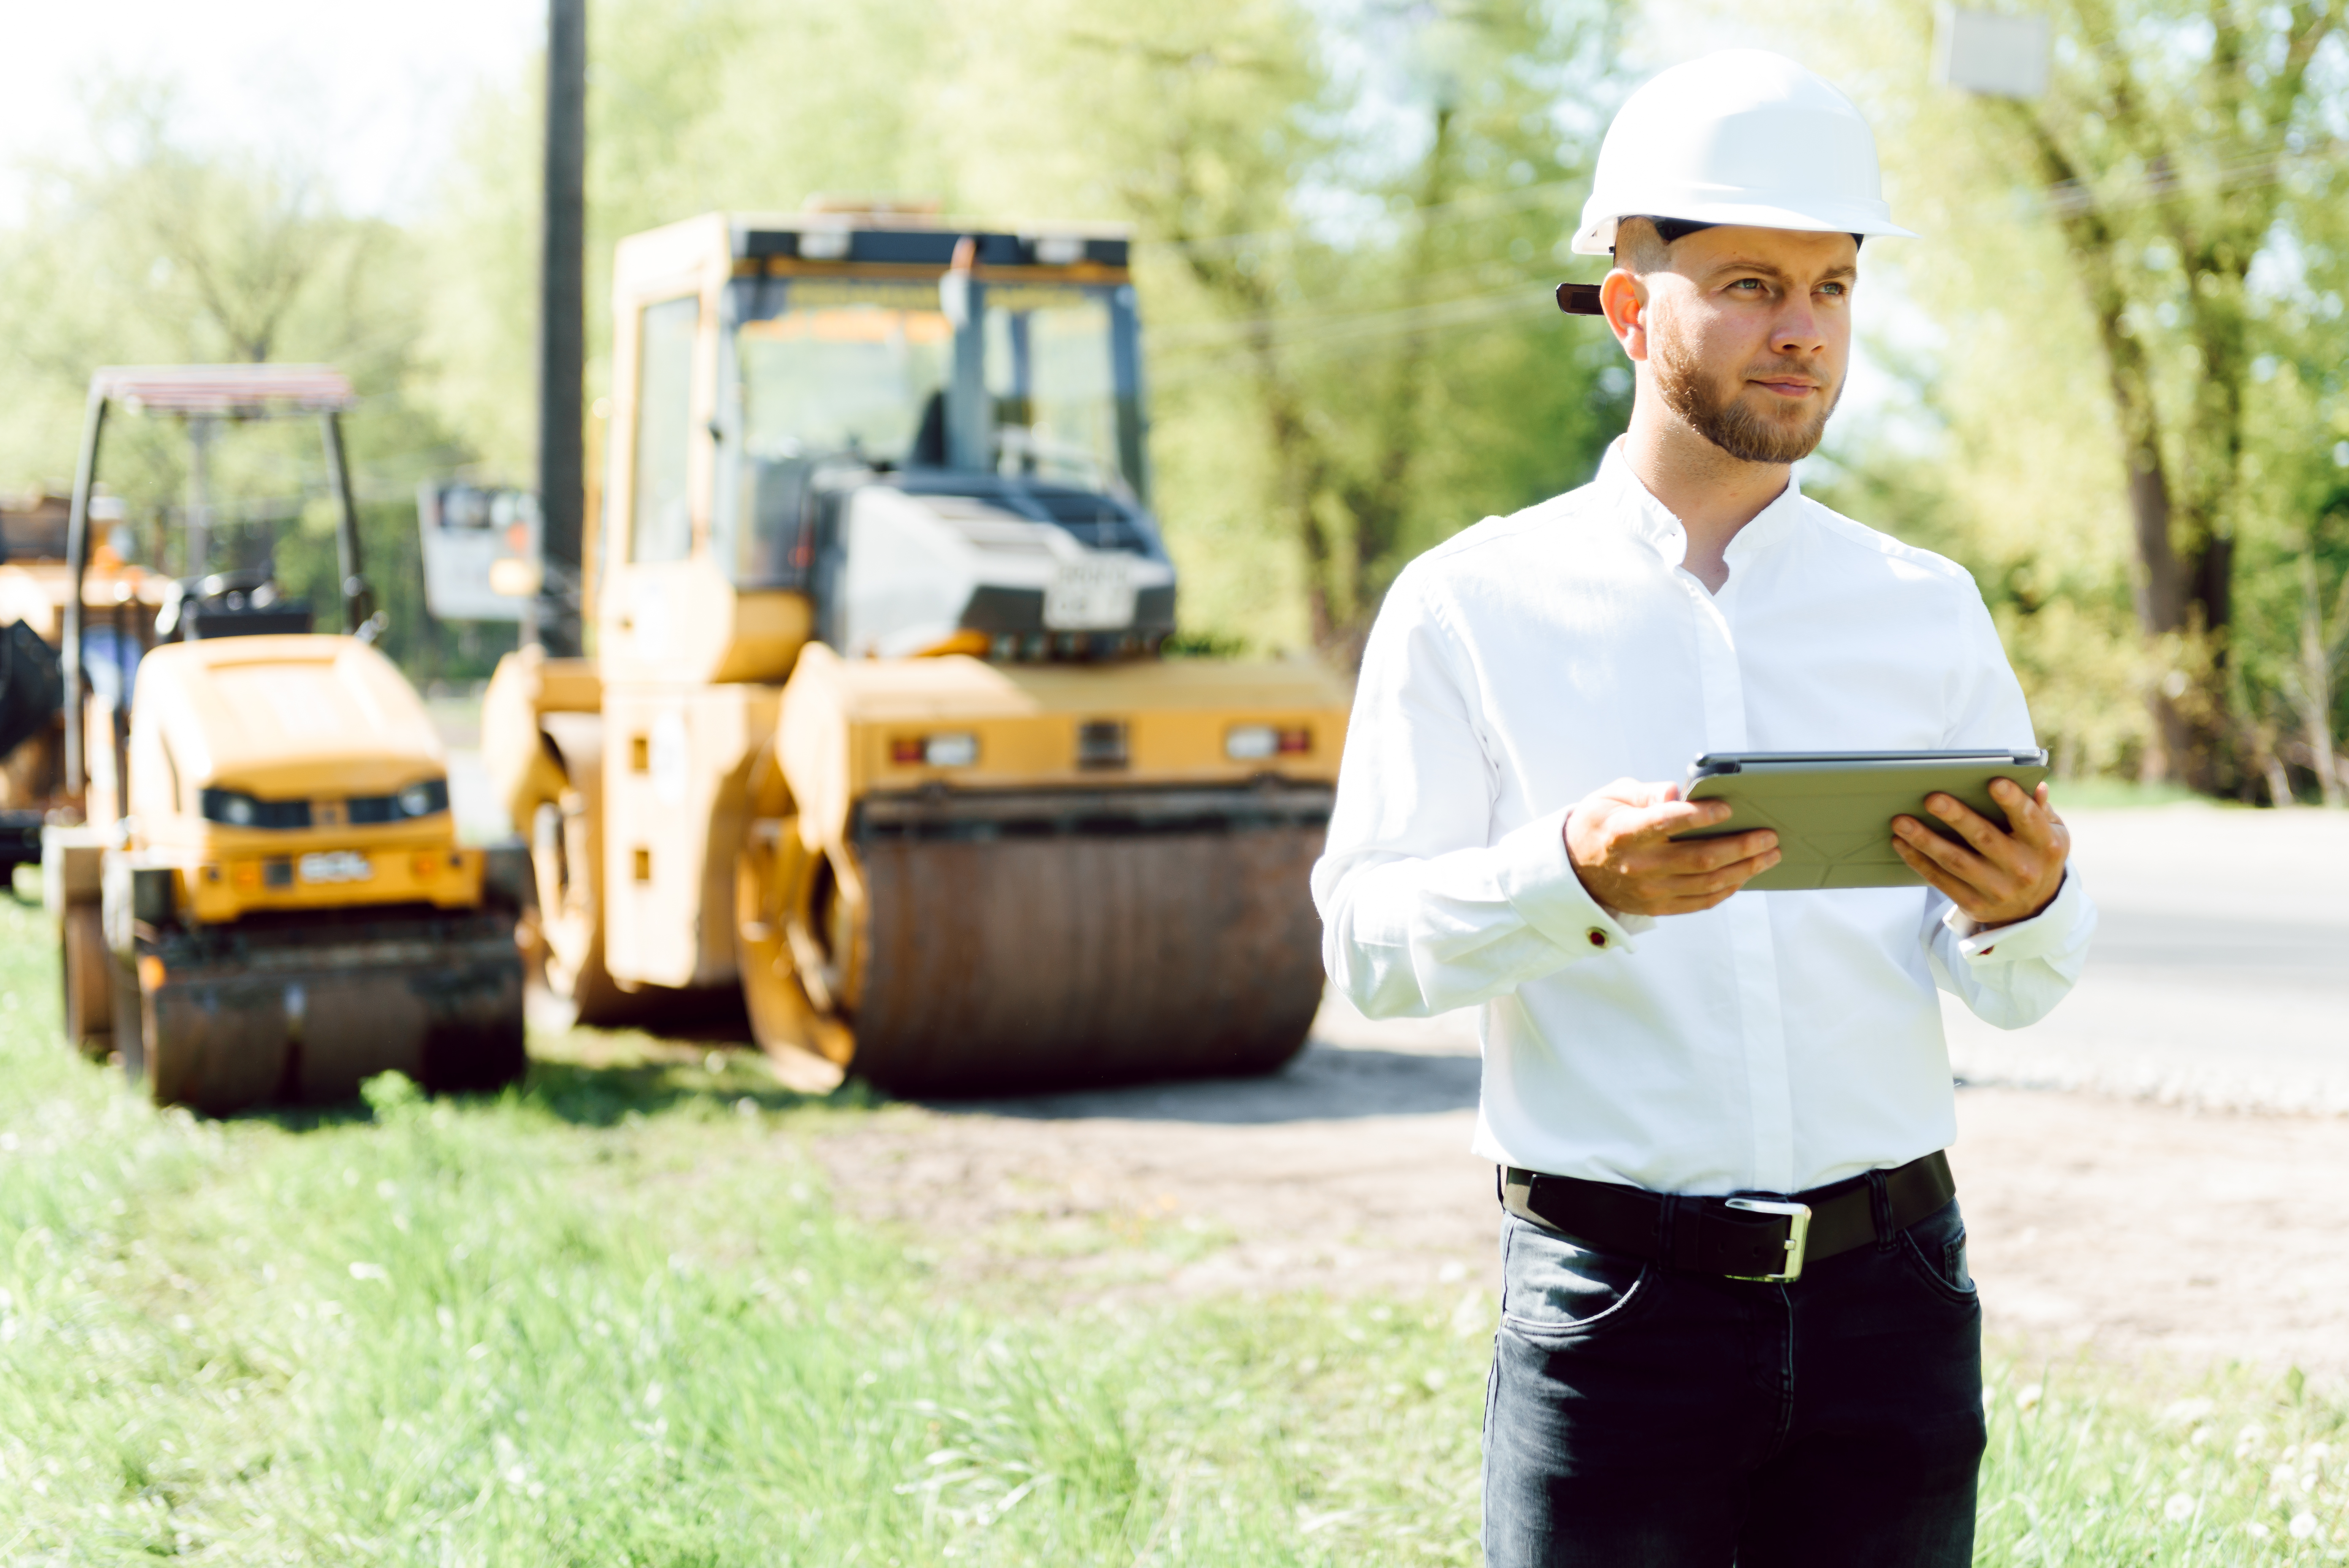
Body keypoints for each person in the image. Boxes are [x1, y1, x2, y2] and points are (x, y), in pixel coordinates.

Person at [1311, 49, 2098, 1568]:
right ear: (1628, 306)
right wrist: (1569, 877)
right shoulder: (1468, 605)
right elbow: (1369, 950)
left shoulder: (1927, 611)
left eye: (1833, 286)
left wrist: (2025, 910)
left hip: (1897, 1306)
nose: (1801, 330)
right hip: (1615, 1324)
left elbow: (2021, 992)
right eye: (1748, 282)